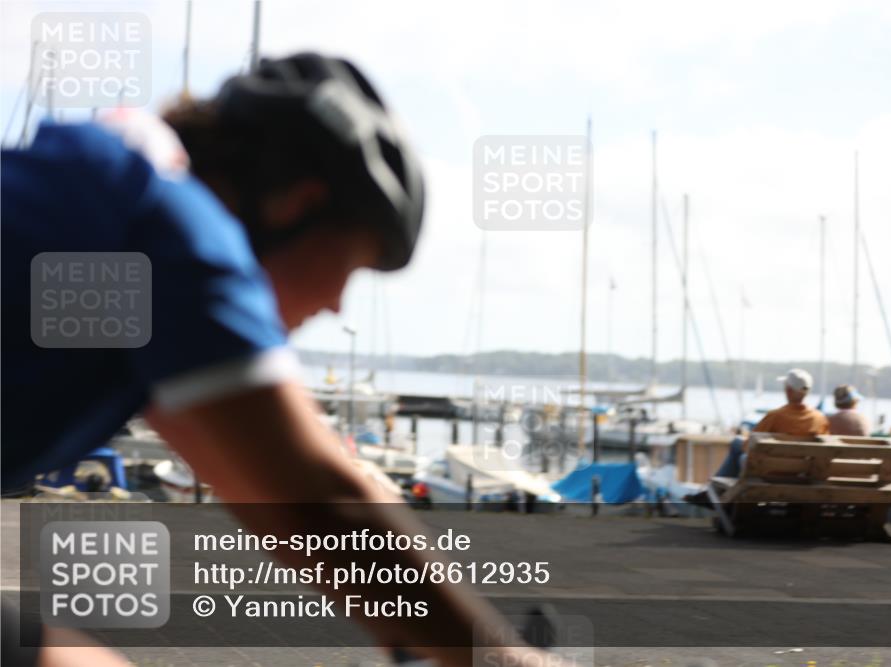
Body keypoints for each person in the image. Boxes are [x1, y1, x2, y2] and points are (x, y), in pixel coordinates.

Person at [2, 53, 549, 667]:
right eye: (350, 264)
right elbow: (319, 504)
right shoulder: (171, 231)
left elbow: (267, 485)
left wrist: (413, 629)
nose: (338, 300)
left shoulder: (122, 191)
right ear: (298, 204)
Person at [684, 369, 829, 506]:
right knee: (738, 446)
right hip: (802, 474)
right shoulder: (820, 419)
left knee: (737, 446)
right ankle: (714, 494)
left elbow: (749, 446)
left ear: (789, 390)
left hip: (771, 473)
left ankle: (713, 494)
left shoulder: (776, 416)